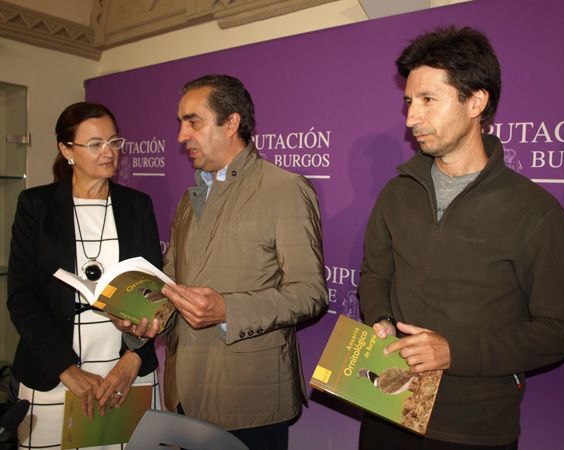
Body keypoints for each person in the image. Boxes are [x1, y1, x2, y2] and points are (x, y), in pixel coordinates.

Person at [358, 26, 564, 449]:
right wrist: (381, 320)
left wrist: (455, 351)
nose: (411, 118)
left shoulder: (534, 211)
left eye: (428, 100)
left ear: (476, 102)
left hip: (473, 429)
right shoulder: (397, 192)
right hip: (387, 408)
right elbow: (375, 270)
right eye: (409, 101)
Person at [126, 74, 328, 450]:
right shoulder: (191, 199)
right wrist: (141, 317)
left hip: (251, 400)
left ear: (231, 123)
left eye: (193, 121)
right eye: (180, 123)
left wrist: (227, 310)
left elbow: (311, 293)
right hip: (185, 392)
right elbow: (172, 283)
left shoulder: (285, 189)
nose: (181, 136)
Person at [7, 102, 162, 449]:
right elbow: (21, 296)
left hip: (126, 370)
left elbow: (154, 296)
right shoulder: (37, 206)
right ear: (66, 150)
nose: (109, 153)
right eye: (95, 144)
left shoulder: (137, 205)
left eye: (114, 142)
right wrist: (67, 369)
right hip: (54, 371)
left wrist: (132, 360)